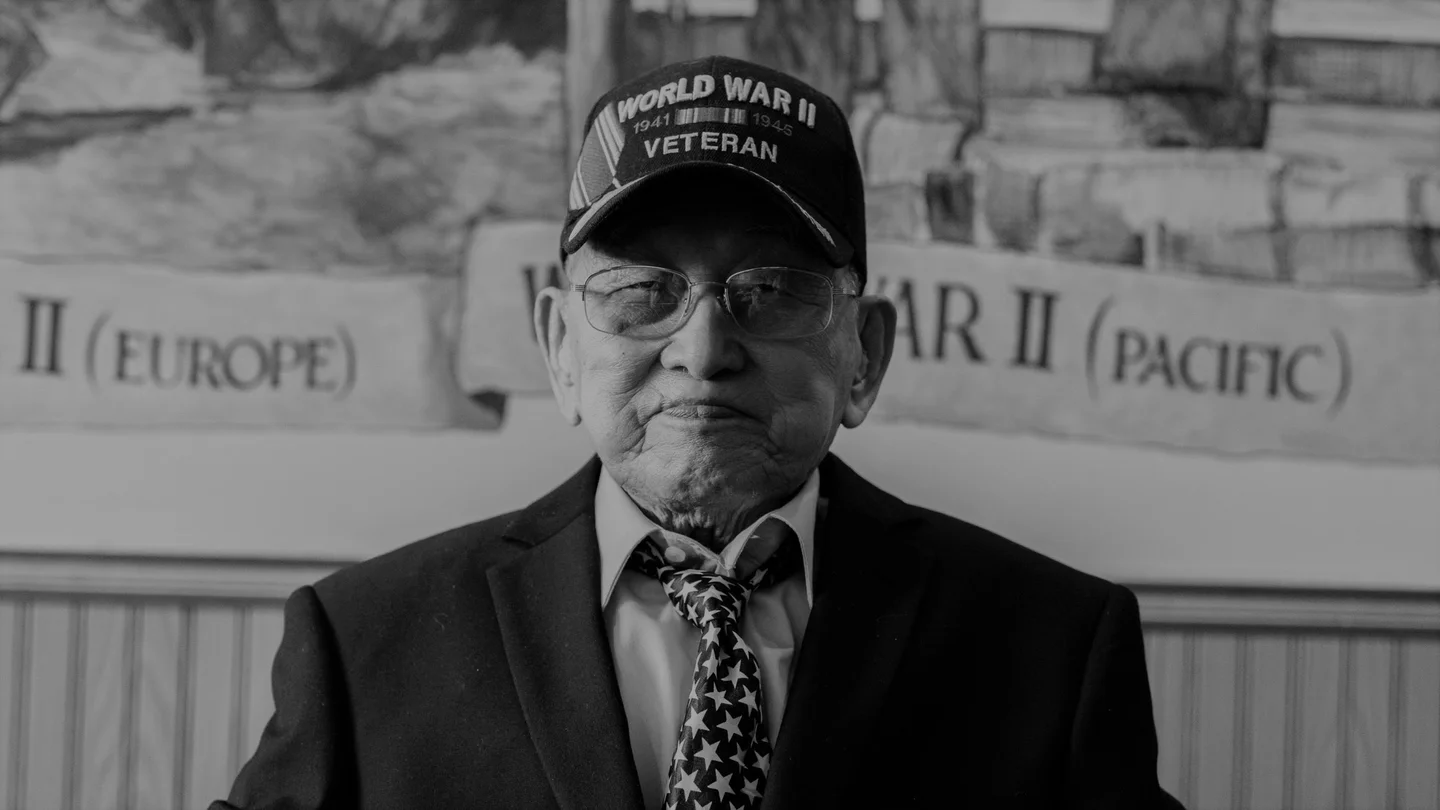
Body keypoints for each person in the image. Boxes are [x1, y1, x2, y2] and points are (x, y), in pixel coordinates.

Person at [214, 55, 1183, 810]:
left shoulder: (1051, 646)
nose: (705, 348)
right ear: (559, 348)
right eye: (641, 292)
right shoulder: (365, 643)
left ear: (865, 355)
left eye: (769, 293)